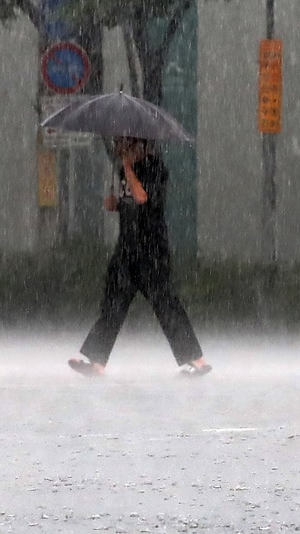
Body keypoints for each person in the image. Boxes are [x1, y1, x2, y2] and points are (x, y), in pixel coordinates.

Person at [68, 136, 212, 377]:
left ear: (141, 146)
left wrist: (127, 169)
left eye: (126, 145)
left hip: (151, 251)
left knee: (165, 304)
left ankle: (196, 359)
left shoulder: (156, 169)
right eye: (119, 145)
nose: (120, 149)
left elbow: (143, 197)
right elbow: (126, 203)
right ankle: (96, 360)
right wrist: (114, 202)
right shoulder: (125, 171)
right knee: (113, 305)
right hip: (127, 248)